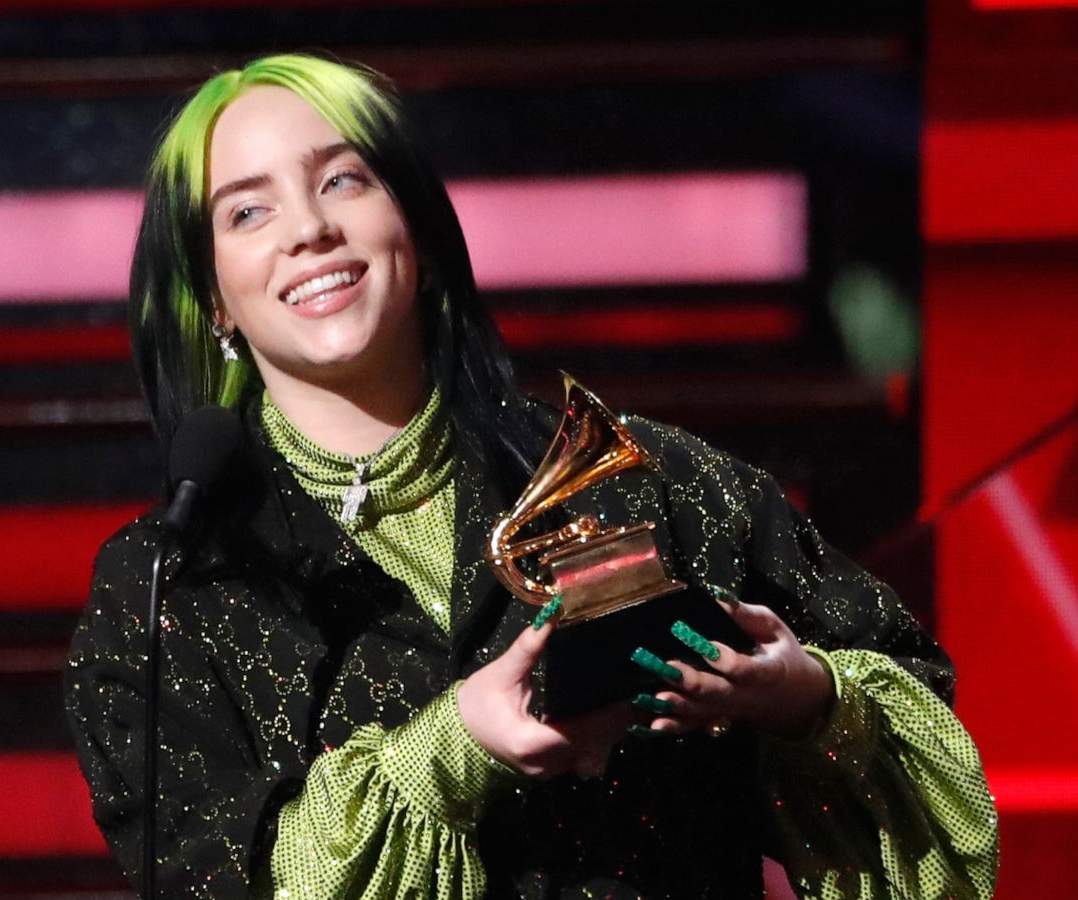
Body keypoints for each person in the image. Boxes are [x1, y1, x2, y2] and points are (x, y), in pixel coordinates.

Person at [65, 53, 998, 900]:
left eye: (344, 178)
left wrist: (808, 701)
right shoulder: (169, 586)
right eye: (248, 210)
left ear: (416, 232)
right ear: (214, 299)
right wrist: (451, 750)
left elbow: (930, 778)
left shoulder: (653, 481)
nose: (309, 228)